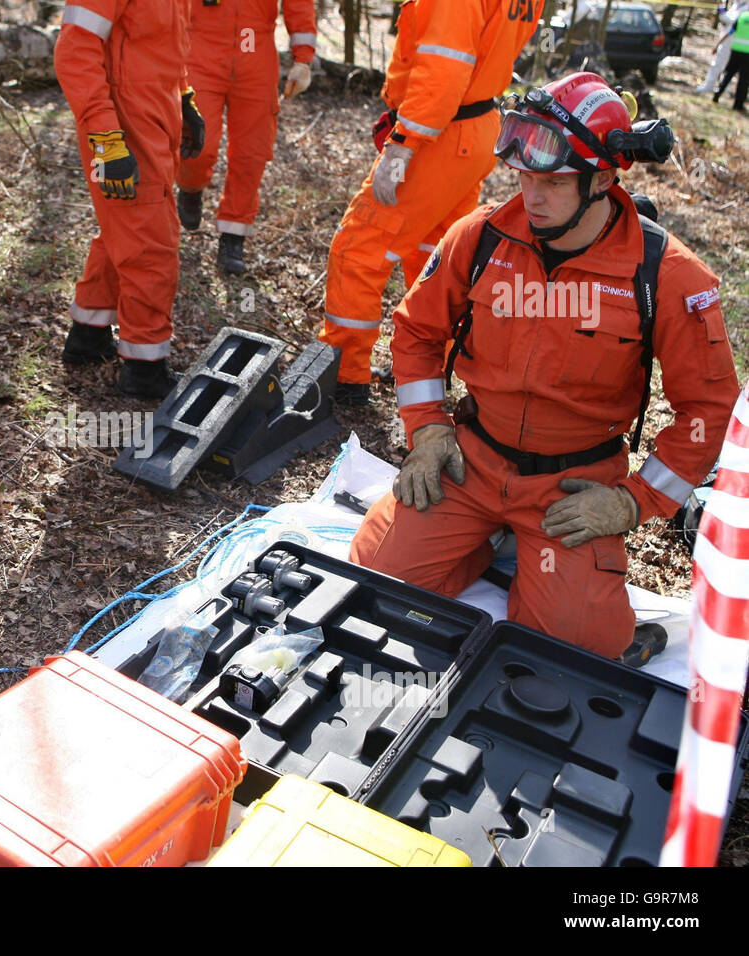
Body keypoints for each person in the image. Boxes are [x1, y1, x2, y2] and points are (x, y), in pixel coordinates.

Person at [349, 73, 740, 660]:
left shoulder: (667, 276)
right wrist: (427, 429)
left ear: (604, 178)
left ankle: (532, 558)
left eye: (553, 182)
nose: (531, 198)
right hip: (469, 462)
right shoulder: (479, 238)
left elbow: (709, 411)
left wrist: (633, 502)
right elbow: (415, 331)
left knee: (568, 654)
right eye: (525, 178)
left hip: (570, 490)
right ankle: (484, 541)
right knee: (373, 585)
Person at [318, 0, 543, 405]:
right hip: (475, 130)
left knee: (359, 248)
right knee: (436, 257)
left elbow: (444, 67)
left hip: (442, 133)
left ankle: (346, 375)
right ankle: (427, 367)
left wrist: (405, 144)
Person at [54, 0, 205, 399]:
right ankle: (145, 370)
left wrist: (184, 96)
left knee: (126, 228)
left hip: (156, 115)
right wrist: (105, 136)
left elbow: (163, 46)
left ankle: (88, 333)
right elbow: (74, 51)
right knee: (151, 240)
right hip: (122, 123)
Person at [175, 0, 319, 275]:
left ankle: (233, 236)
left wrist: (303, 59)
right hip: (201, 49)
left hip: (254, 50)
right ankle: (190, 187)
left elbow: (299, 3)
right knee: (196, 141)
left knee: (251, 153)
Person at [696, 2, 743, 94]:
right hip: (727, 38)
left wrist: (722, 10)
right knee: (719, 63)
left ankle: (720, 86)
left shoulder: (745, 7)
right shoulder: (736, 5)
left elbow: (730, 20)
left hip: (732, 40)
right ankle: (711, 85)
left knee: (724, 64)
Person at [714, 4, 749, 112]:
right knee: (744, 80)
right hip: (747, 54)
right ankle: (738, 104)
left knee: (728, 73)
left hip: (735, 51)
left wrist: (717, 45)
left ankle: (717, 94)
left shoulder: (742, 16)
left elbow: (730, 32)